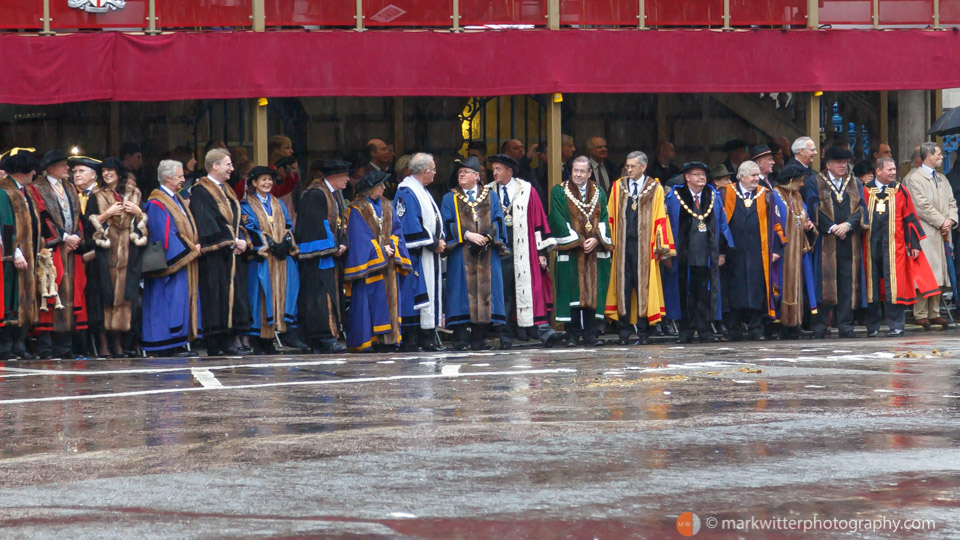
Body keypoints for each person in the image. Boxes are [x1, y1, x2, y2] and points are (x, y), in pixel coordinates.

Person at [487, 153, 564, 349]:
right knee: (503, 292)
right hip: (499, 250)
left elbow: (539, 222)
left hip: (525, 248)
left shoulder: (527, 190)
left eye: (498, 169)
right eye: (493, 169)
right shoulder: (487, 191)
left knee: (531, 290)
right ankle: (505, 336)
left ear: (509, 171)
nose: (494, 172)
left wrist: (541, 253)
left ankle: (543, 332)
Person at [863, 157, 939, 337]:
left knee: (894, 287)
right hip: (869, 246)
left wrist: (913, 243)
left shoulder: (900, 191)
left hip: (894, 246)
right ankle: (872, 327)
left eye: (894, 169)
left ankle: (896, 326)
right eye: (889, 169)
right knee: (870, 287)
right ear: (878, 171)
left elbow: (910, 217)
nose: (893, 172)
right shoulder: (864, 191)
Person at [604, 151, 675, 345]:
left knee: (644, 286)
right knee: (623, 286)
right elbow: (610, 215)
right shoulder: (618, 186)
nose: (628, 169)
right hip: (622, 246)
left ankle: (644, 333)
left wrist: (662, 245)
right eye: (627, 166)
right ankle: (624, 332)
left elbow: (661, 216)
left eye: (632, 166)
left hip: (645, 245)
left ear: (643, 167)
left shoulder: (655, 187)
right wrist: (608, 243)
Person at [441, 156, 509, 351]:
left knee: (487, 294)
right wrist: (467, 235)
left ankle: (480, 338)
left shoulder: (490, 196)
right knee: (460, 294)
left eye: (465, 172)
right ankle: (460, 338)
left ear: (477, 176)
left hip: (487, 254)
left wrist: (487, 237)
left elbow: (498, 220)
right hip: (461, 253)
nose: (461, 175)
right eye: (459, 172)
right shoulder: (450, 197)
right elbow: (446, 223)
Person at [342, 170, 413, 352]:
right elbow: (359, 237)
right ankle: (368, 340)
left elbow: (397, 231)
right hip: (370, 266)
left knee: (390, 300)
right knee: (367, 303)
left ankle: (389, 340)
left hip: (388, 264)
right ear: (369, 189)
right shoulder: (356, 208)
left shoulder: (388, 205)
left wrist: (393, 247)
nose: (383, 188)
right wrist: (380, 251)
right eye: (379, 185)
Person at [190, 148, 252, 356]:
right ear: (214, 166)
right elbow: (207, 221)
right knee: (215, 297)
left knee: (232, 296)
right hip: (215, 255)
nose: (232, 169)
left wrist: (241, 239)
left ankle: (230, 339)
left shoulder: (226, 189)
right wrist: (231, 241)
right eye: (228, 164)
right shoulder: (201, 190)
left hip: (231, 254)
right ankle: (216, 343)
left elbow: (235, 220)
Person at [664, 162, 733, 343]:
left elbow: (723, 224)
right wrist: (667, 252)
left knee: (705, 292)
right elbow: (667, 226)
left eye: (703, 174)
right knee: (685, 292)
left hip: (707, 255)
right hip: (683, 255)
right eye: (697, 174)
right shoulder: (674, 197)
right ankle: (685, 331)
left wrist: (722, 252)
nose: (701, 178)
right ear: (687, 177)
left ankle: (705, 331)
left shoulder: (713, 196)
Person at [85, 156, 148, 357]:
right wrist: (107, 214)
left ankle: (118, 342)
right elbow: (88, 223)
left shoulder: (134, 194)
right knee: (105, 297)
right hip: (106, 252)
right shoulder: (97, 195)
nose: (107, 173)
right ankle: (104, 344)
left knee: (124, 299)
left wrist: (139, 213)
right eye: (104, 170)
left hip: (128, 252)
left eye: (110, 170)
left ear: (119, 173)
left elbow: (145, 224)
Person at [29, 150, 88, 358]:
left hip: (70, 250)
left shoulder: (70, 187)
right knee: (50, 294)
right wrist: (63, 237)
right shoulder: (38, 188)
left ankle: (65, 347)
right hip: (51, 250)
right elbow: (42, 218)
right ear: (51, 168)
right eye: (64, 165)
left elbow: (77, 216)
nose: (68, 168)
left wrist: (76, 238)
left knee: (69, 296)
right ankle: (46, 347)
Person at [549, 155, 612, 347]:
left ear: (589, 173)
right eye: (575, 170)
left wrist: (596, 239)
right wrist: (579, 241)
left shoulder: (599, 191)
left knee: (594, 293)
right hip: (572, 251)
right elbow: (557, 219)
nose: (577, 174)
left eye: (582, 171)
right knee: (571, 293)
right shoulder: (559, 191)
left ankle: (591, 334)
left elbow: (605, 218)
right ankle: (572, 334)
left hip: (594, 251)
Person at [719, 161, 785, 341]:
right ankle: (734, 329)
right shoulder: (726, 193)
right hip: (734, 252)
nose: (757, 179)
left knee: (757, 290)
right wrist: (720, 251)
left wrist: (777, 248)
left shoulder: (767, 195)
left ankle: (757, 329)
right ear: (741, 176)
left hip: (759, 251)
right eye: (753, 175)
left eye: (757, 175)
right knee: (734, 290)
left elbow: (778, 222)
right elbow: (719, 223)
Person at [241, 166, 304, 354]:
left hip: (280, 260)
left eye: (269, 179)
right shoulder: (246, 205)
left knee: (280, 296)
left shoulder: (278, 203)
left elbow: (288, 224)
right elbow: (248, 228)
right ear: (254, 183)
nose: (267, 183)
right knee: (260, 297)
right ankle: (259, 341)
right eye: (263, 180)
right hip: (262, 260)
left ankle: (272, 339)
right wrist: (267, 242)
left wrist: (285, 241)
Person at [141, 160, 201, 357]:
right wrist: (191, 250)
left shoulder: (176, 199)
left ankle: (180, 342)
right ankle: (166, 344)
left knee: (180, 302)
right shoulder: (157, 203)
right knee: (167, 302)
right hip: (169, 266)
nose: (184, 179)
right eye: (180, 176)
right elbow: (164, 236)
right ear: (167, 178)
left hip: (184, 263)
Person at [295, 159, 350, 354]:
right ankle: (322, 336)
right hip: (318, 257)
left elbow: (339, 223)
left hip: (330, 255)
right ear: (333, 177)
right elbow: (316, 225)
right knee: (319, 296)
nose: (348, 179)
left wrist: (343, 242)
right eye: (345, 176)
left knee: (329, 294)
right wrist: (332, 246)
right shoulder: (315, 194)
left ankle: (327, 336)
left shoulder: (333, 195)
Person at [903, 142, 958, 330]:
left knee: (939, 273)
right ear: (929, 157)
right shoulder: (914, 179)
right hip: (924, 231)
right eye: (939, 154)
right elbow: (920, 206)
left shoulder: (942, 178)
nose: (942, 157)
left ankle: (934, 312)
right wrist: (941, 221)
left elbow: (952, 202)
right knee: (925, 272)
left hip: (942, 231)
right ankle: (920, 313)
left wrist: (950, 220)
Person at [812, 146, 864, 339]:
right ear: (828, 164)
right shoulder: (816, 181)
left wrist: (849, 225)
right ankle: (820, 325)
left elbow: (861, 208)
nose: (843, 166)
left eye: (845, 162)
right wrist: (833, 227)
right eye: (839, 162)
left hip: (849, 242)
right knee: (824, 283)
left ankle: (845, 325)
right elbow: (813, 206)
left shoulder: (854, 182)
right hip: (826, 242)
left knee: (846, 283)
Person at [395, 153, 446, 352]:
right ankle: (414, 339)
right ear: (425, 171)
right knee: (414, 299)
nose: (435, 174)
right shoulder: (407, 192)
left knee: (426, 297)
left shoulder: (420, 190)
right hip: (416, 256)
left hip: (427, 254)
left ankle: (427, 337)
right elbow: (409, 225)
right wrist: (434, 243)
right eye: (433, 170)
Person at [0, 149, 40, 360]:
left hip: (29, 254)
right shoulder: (4, 191)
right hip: (12, 256)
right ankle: (6, 345)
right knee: (10, 299)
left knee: (23, 299)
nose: (35, 172)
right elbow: (6, 224)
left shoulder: (25, 191)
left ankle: (18, 343)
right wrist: (15, 252)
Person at [771, 164, 819, 339]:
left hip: (797, 250)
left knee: (797, 287)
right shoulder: (774, 196)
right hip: (783, 251)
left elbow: (803, 216)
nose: (802, 185)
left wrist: (808, 224)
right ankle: (781, 324)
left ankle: (795, 323)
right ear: (790, 181)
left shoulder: (797, 197)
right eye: (799, 181)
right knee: (782, 286)